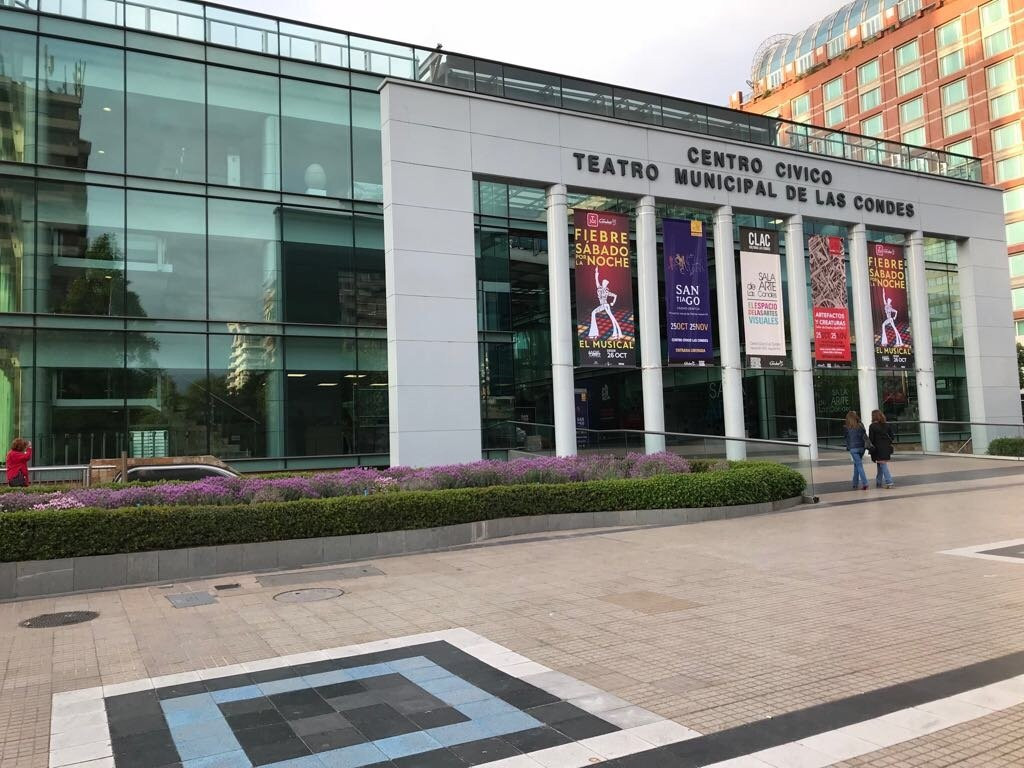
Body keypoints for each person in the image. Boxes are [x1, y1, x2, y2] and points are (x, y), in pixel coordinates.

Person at [588, 267, 623, 340]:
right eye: (603, 282)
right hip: (602, 305)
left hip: (606, 305)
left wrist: (613, 302)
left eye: (604, 283)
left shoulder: (607, 291)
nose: (603, 283)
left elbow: (615, 295)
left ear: (606, 284)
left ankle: (617, 333)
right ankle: (594, 333)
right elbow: (596, 279)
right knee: (593, 313)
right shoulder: (599, 288)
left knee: (612, 319)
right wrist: (596, 272)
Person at [868, 410, 895, 488]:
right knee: (880, 464)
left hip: (878, 449)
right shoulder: (887, 425)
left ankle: (889, 482)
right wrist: (887, 442)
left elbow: (871, 439)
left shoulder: (872, 426)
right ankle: (878, 481)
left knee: (882, 464)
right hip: (886, 447)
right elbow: (892, 437)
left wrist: (870, 448)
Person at [843, 411, 869, 490]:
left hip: (853, 448)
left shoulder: (846, 427)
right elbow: (864, 434)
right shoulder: (860, 425)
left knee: (859, 465)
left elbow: (846, 438)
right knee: (856, 464)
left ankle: (865, 483)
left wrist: (848, 446)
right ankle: (855, 483)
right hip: (862, 447)